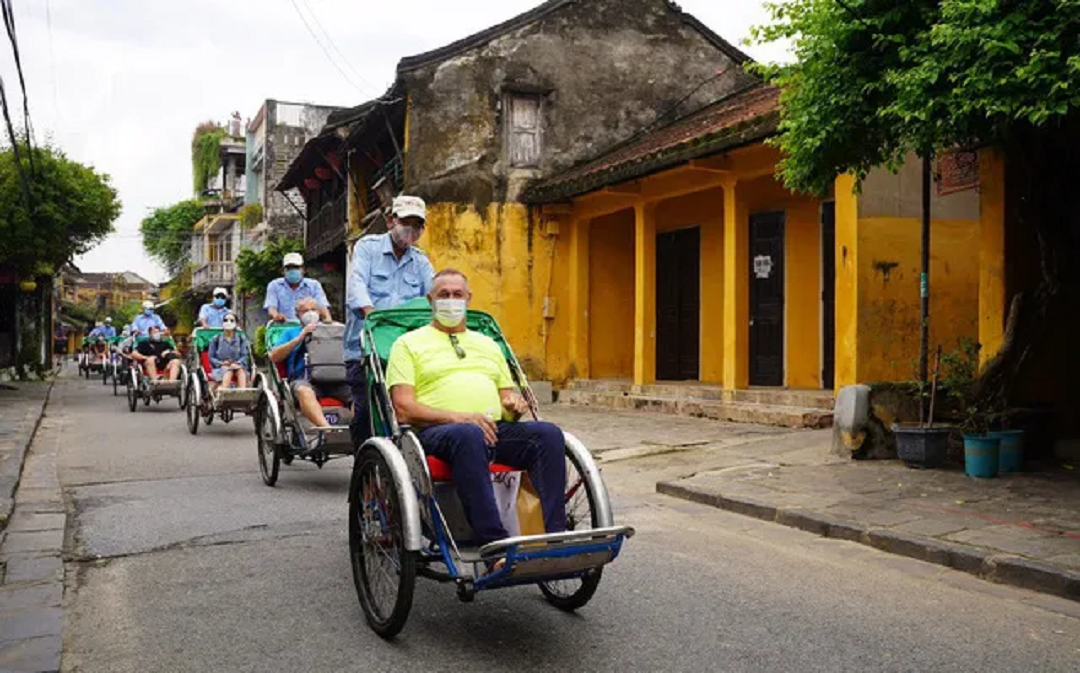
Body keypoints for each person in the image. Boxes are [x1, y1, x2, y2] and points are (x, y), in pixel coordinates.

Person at [386, 269, 566, 545]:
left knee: (548, 434)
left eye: (457, 294)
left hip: (493, 428)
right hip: (437, 433)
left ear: (469, 299)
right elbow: (403, 408)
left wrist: (514, 406)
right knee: (468, 434)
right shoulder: (407, 344)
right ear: (430, 300)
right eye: (443, 294)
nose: (451, 300)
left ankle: (554, 536)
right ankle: (494, 543)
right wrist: (458, 418)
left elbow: (507, 402)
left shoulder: (488, 345)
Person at [345, 194, 434, 449]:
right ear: (390, 221)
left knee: (409, 410)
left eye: (417, 225)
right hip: (364, 349)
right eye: (406, 222)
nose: (411, 229)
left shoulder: (421, 261)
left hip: (406, 352)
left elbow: (432, 296)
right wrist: (370, 312)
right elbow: (357, 285)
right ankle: (364, 469)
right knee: (364, 413)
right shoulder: (367, 248)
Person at [269, 297, 349, 429]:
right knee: (304, 391)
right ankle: (327, 430)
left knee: (359, 395)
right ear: (297, 315)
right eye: (305, 311)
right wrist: (300, 337)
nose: (310, 313)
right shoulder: (290, 332)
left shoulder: (333, 330)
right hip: (304, 379)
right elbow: (274, 356)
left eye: (313, 310)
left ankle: (355, 431)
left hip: (336, 379)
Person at [264, 253, 331, 323]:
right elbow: (271, 307)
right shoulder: (274, 285)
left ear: (303, 269)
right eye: (289, 268)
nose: (292, 270)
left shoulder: (314, 285)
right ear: (283, 271)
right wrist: (276, 316)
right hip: (283, 326)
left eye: (296, 267)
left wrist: (327, 318)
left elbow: (321, 305)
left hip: (309, 327)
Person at [208, 312, 250, 390]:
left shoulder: (241, 339)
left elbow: (244, 355)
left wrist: (237, 363)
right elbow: (211, 357)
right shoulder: (215, 339)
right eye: (225, 320)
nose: (228, 322)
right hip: (220, 368)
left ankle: (243, 394)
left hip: (237, 366)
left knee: (241, 371)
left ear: (236, 324)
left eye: (232, 320)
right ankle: (223, 394)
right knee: (228, 371)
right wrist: (221, 363)